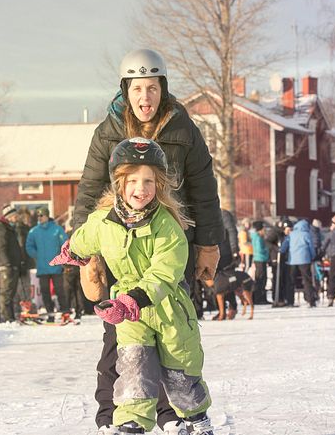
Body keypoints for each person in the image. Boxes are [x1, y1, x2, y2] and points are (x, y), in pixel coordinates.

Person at [72, 49, 223, 435]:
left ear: (163, 88)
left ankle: (171, 413)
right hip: (118, 251)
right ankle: (111, 416)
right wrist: (86, 255)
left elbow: (205, 191)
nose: (145, 97)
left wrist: (208, 243)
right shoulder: (108, 131)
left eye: (152, 88)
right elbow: (89, 193)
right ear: (126, 89)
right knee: (119, 337)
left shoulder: (183, 130)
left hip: (169, 249)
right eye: (138, 88)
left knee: (172, 335)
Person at [55, 138, 214, 435]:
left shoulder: (167, 225)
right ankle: (132, 423)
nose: (141, 189)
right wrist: (73, 252)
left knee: (181, 373)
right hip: (129, 313)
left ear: (159, 185)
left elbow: (165, 273)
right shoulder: (103, 221)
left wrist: (134, 300)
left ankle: (197, 420)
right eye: (133, 181)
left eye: (149, 181)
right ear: (119, 183)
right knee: (133, 367)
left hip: (167, 309)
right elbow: (86, 236)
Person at [26, 207, 68, 322]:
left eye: (42, 216)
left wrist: (61, 257)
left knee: (60, 290)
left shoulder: (57, 229)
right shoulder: (34, 231)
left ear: (47, 216)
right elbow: (29, 246)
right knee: (45, 292)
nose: (39, 218)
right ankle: (50, 314)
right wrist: (37, 255)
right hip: (42, 267)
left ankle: (65, 313)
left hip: (56, 266)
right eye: (38, 216)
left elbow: (65, 243)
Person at [0, 205, 24, 322]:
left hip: (13, 265)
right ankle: (6, 317)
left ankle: (10, 316)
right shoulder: (2, 229)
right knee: (6, 292)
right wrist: (7, 264)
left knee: (11, 292)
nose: (17, 218)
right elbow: (1, 248)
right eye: (15, 216)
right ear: (9, 217)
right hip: (7, 266)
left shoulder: (10, 229)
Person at [280, 219, 317, 308]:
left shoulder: (291, 234)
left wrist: (282, 252)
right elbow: (311, 247)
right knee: (307, 280)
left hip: (292, 260)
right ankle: (310, 300)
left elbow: (284, 246)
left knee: (291, 281)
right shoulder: (306, 234)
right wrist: (313, 256)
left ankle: (290, 301)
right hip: (304, 260)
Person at [250, 221, 270, 305]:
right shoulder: (258, 238)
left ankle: (259, 298)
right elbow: (259, 249)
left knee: (260, 279)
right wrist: (267, 251)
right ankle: (260, 298)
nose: (264, 230)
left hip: (259, 259)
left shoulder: (256, 237)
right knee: (261, 279)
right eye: (263, 228)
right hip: (260, 259)